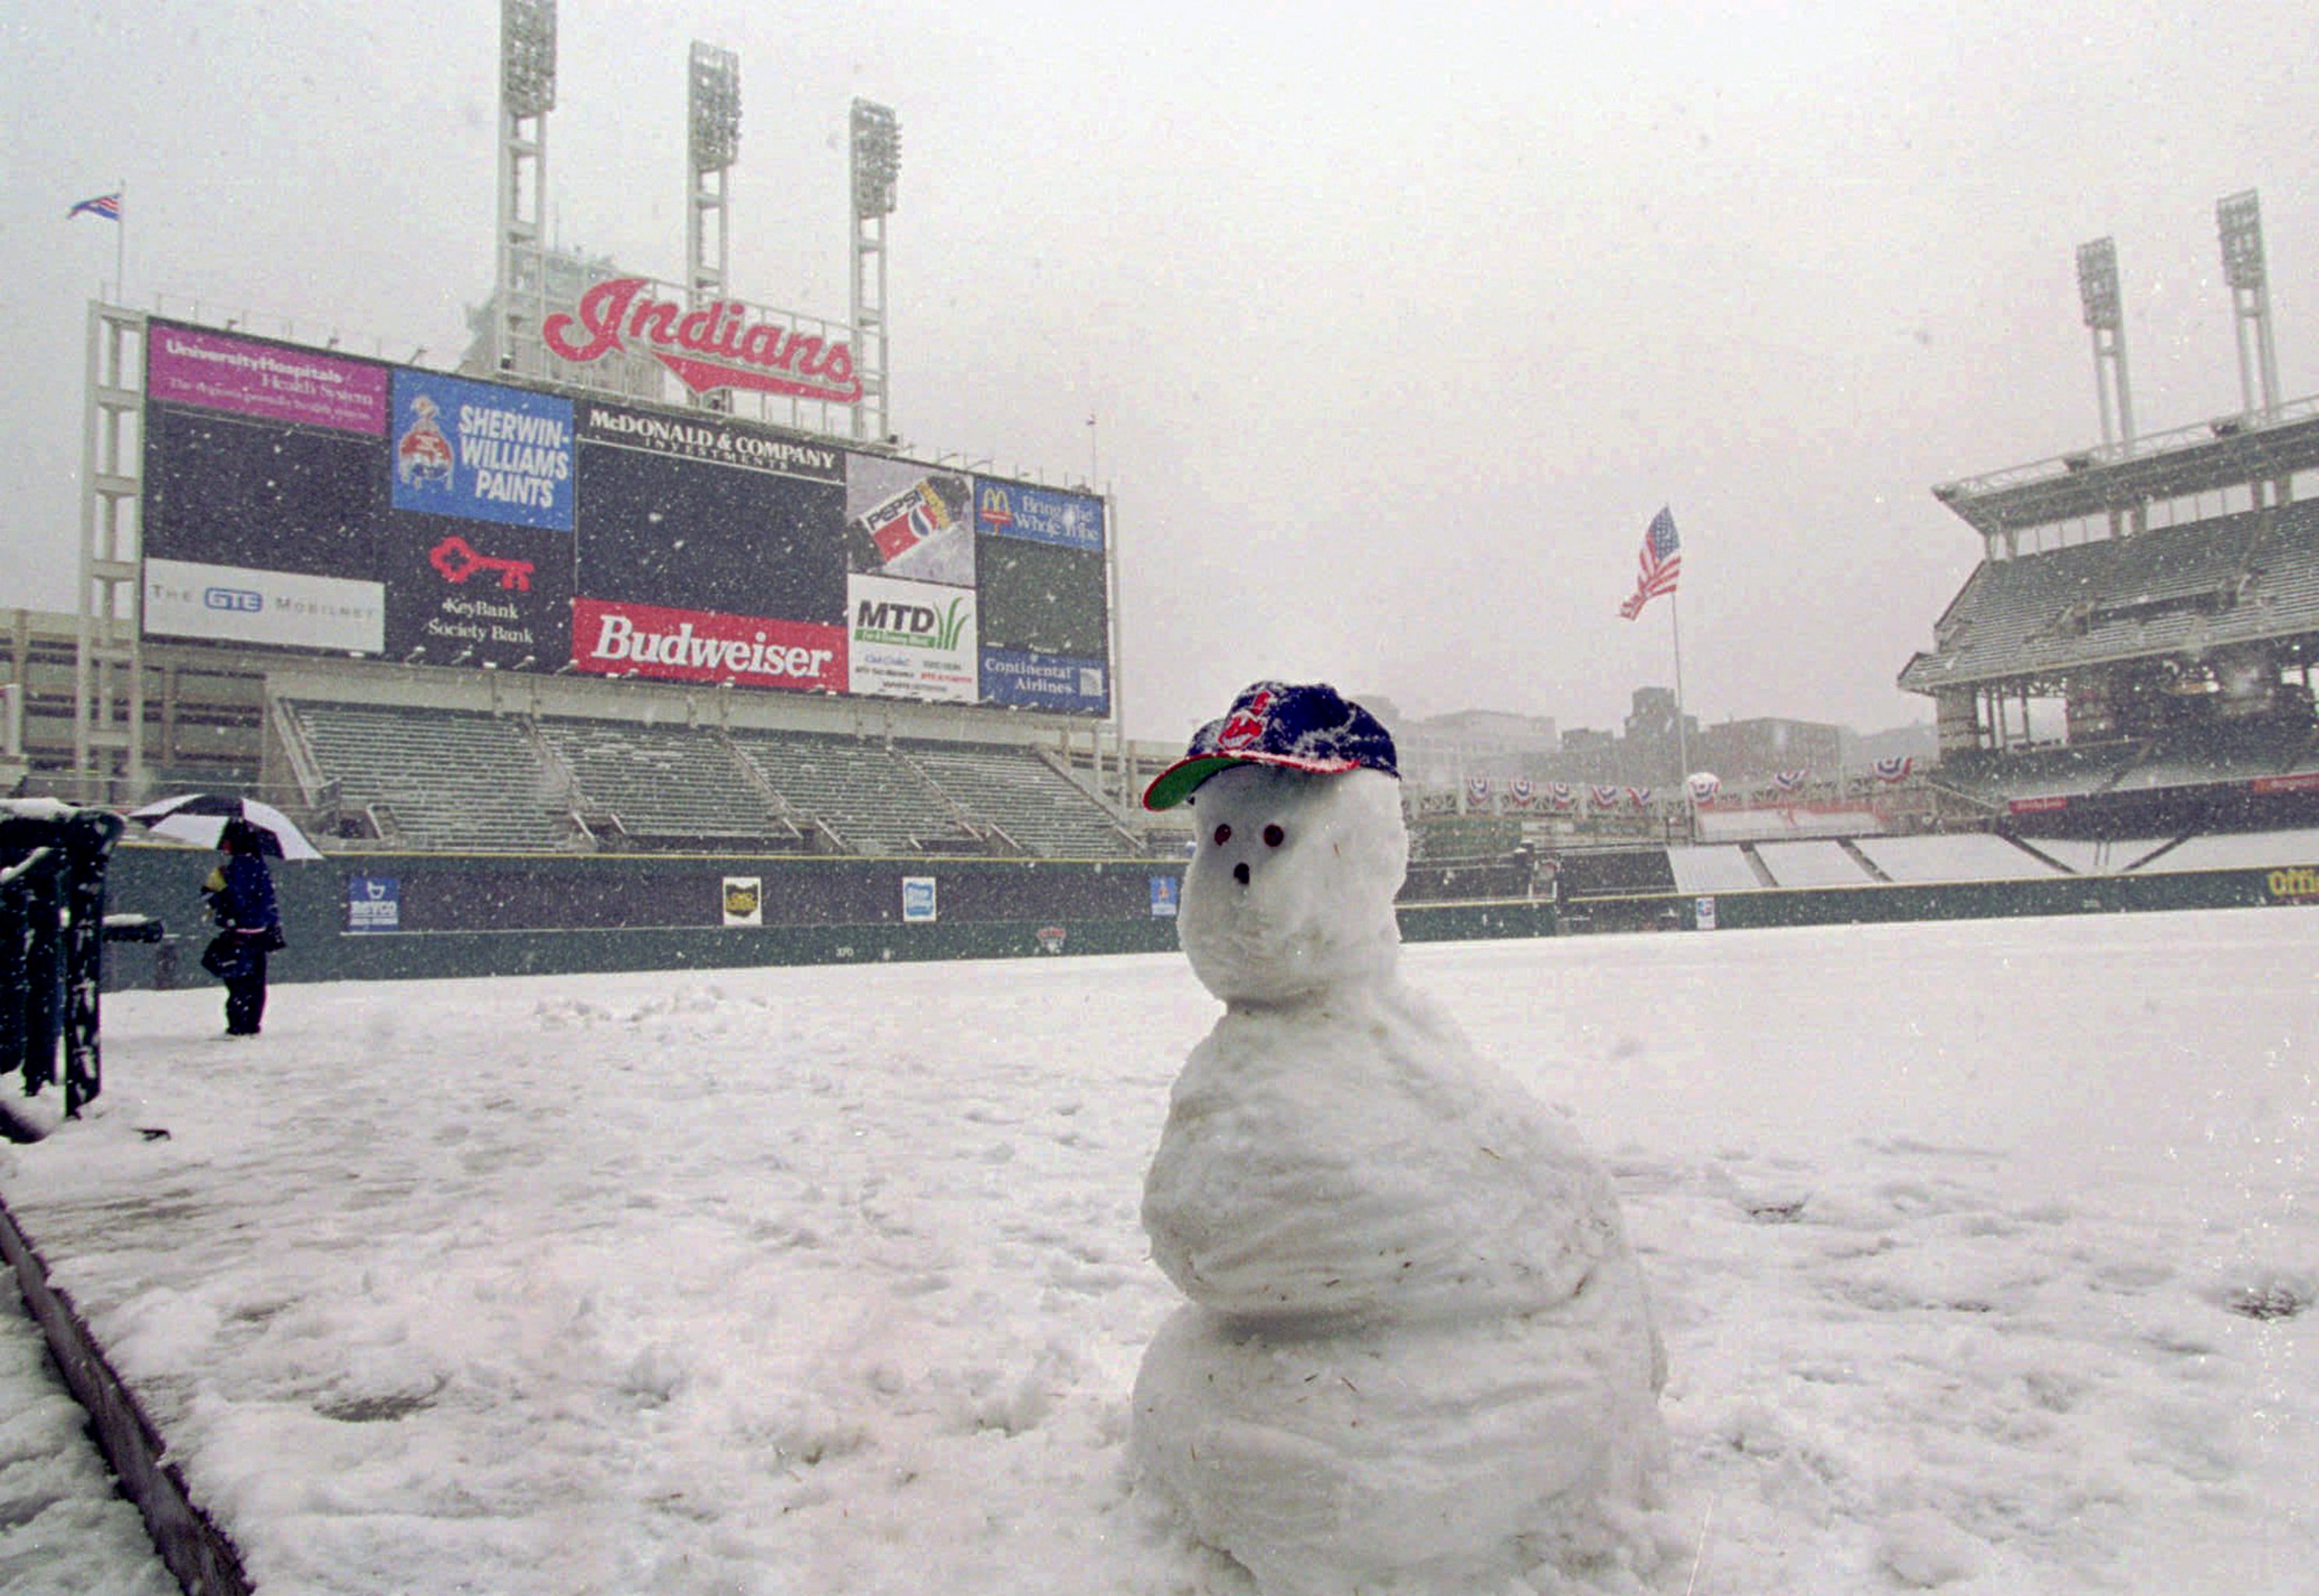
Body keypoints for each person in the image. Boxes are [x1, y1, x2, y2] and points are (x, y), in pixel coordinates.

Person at [202, 818, 283, 1037]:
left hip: (239, 935)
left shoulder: (238, 867)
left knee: (238, 983)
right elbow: (267, 902)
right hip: (259, 935)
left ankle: (239, 1025)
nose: (223, 845)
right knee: (255, 984)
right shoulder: (259, 865)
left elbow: (234, 901)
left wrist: (217, 891)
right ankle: (251, 1023)